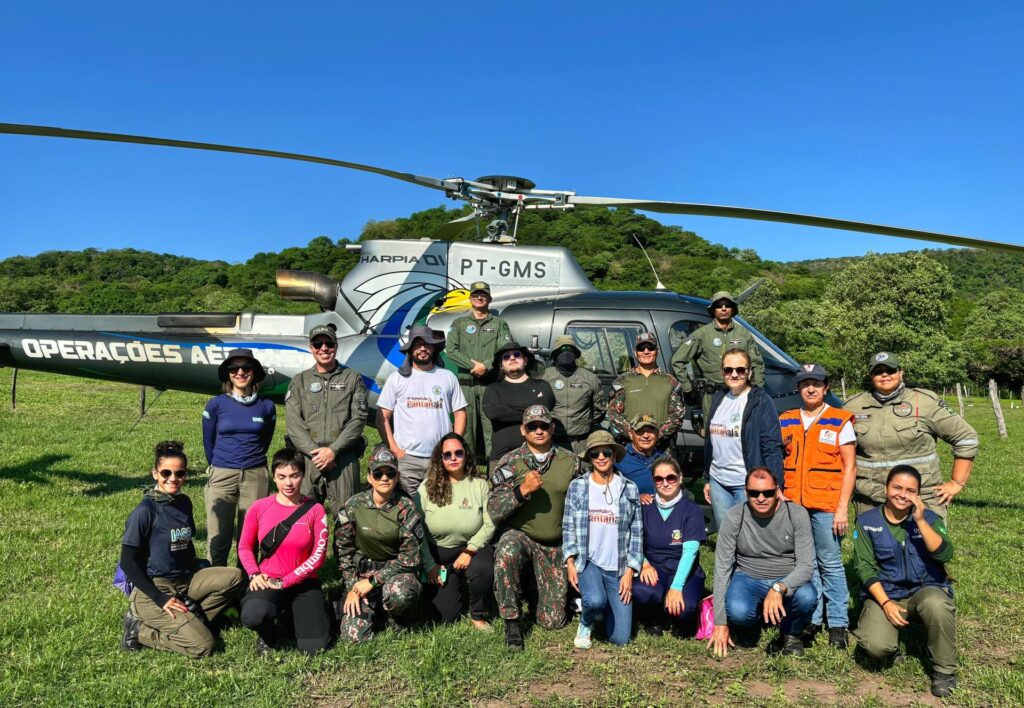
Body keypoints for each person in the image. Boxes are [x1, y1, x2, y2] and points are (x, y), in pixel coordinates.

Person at [120, 441, 245, 657]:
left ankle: (193, 621)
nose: (173, 478)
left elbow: (184, 546)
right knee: (203, 646)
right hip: (155, 588)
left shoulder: (184, 502)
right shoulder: (145, 511)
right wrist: (160, 598)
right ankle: (139, 630)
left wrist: (199, 566)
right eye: (166, 472)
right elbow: (128, 562)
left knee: (234, 576)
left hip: (185, 581)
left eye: (180, 473)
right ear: (155, 474)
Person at [853, 465, 958, 698]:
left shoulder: (931, 518)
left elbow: (944, 554)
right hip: (887, 592)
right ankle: (892, 649)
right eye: (897, 487)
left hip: (926, 589)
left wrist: (920, 521)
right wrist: (886, 603)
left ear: (918, 495)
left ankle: (944, 670)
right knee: (875, 646)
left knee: (937, 605)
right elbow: (864, 568)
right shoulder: (867, 521)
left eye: (910, 490)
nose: (902, 494)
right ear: (886, 488)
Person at [488, 405, 583, 650]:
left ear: (552, 428)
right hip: (522, 536)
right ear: (523, 430)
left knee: (552, 622)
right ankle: (512, 622)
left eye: (543, 425)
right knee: (507, 551)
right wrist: (522, 491)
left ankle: (533, 588)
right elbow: (494, 509)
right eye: (532, 426)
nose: (538, 430)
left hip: (554, 544)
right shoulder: (509, 463)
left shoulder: (571, 462)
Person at [844, 352, 978, 522]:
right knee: (875, 549)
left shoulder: (924, 402)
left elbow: (966, 437)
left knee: (926, 548)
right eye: (878, 371)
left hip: (920, 499)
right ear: (871, 375)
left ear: (901, 372)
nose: (884, 375)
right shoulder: (852, 406)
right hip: (870, 500)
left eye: (890, 370)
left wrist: (957, 483)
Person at [779, 363, 856, 648]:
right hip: (795, 505)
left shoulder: (839, 420)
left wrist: (842, 508)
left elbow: (850, 467)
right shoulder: (786, 419)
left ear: (826, 388)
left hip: (826, 504)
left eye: (817, 383)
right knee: (806, 564)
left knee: (831, 562)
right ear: (798, 388)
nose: (811, 388)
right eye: (805, 383)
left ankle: (838, 623)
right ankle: (814, 616)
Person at [708, 468, 817, 658]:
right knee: (738, 611)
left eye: (767, 492)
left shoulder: (797, 514)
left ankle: (791, 632)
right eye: (753, 493)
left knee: (807, 597)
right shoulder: (734, 517)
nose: (761, 498)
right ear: (745, 492)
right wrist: (720, 623)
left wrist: (779, 587)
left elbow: (806, 566)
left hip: (786, 576)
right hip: (748, 576)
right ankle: (753, 623)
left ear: (777, 490)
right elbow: (722, 569)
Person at [238, 448, 331, 655]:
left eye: (294, 476)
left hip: (303, 582)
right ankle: (269, 634)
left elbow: (318, 557)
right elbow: (244, 547)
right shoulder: (259, 507)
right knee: (253, 616)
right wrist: (254, 574)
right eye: (281, 477)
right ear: (274, 477)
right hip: (268, 579)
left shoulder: (315, 510)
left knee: (315, 647)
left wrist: (284, 582)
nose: (288, 483)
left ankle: (290, 615)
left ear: (303, 475)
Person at [334, 445, 423, 643]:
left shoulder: (406, 508)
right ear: (369, 477)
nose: (384, 478)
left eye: (390, 473)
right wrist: (352, 588)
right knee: (353, 638)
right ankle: (372, 610)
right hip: (362, 573)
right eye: (378, 473)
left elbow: (410, 558)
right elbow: (343, 551)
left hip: (395, 573)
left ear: (397, 476)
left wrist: (373, 581)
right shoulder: (352, 506)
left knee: (400, 594)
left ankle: (395, 617)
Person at [563, 430, 643, 649]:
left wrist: (629, 571)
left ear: (614, 455)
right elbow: (568, 525)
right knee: (594, 600)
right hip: (589, 562)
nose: (601, 458)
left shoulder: (629, 488)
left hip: (617, 566)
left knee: (620, 638)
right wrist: (570, 560)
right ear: (589, 458)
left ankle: (601, 610)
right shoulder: (578, 486)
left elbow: (636, 533)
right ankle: (587, 620)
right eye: (595, 454)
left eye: (606, 452)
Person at [202, 348, 277, 567]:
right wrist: (220, 466)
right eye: (234, 368)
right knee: (218, 535)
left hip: (255, 474)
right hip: (222, 473)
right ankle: (216, 585)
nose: (240, 372)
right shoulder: (216, 404)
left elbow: (265, 439)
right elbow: (209, 442)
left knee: (249, 536)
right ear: (228, 373)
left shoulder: (266, 406)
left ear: (255, 372)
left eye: (247, 367)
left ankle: (246, 586)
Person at [285, 323, 369, 517]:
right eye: (318, 344)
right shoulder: (300, 381)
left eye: (328, 343)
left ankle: (343, 549)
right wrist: (317, 455)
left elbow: (358, 419)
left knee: (347, 518)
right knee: (302, 517)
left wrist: (333, 450)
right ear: (311, 348)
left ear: (336, 346)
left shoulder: (352, 378)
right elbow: (293, 424)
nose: (324, 348)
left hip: (343, 457)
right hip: (309, 458)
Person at [415, 432, 495, 629]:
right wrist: (429, 565)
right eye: (447, 454)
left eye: (458, 453)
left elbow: (490, 524)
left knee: (483, 568)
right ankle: (455, 582)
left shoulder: (480, 485)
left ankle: (478, 614)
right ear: (439, 458)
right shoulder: (425, 488)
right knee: (445, 618)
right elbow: (418, 531)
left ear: (466, 455)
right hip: (439, 555)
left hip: (470, 549)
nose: (453, 458)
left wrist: (470, 549)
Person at [377, 325, 467, 496]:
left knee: (440, 504)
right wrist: (395, 449)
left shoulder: (447, 377)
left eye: (427, 344)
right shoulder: (396, 379)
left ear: (434, 348)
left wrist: (454, 444)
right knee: (408, 509)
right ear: (410, 349)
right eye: (417, 345)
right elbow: (382, 417)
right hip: (407, 459)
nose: (423, 349)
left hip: (440, 458)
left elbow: (460, 413)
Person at [703, 349, 785, 529]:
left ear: (749, 372)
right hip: (718, 481)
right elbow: (710, 442)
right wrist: (708, 479)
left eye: (740, 370)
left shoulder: (761, 401)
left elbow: (772, 446)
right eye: (728, 370)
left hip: (746, 482)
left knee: (750, 536)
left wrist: (776, 484)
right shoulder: (718, 398)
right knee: (726, 535)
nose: (734, 374)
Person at [670, 290, 766, 431]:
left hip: (740, 395)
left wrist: (757, 390)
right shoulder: (701, 335)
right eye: (719, 305)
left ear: (733, 309)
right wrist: (687, 387)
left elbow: (757, 363)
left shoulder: (744, 334)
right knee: (714, 437)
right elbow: (677, 361)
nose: (723, 308)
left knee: (740, 435)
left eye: (727, 305)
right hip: (713, 395)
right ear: (713, 310)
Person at [634, 457, 707, 637]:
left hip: (683, 569)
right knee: (642, 592)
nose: (665, 483)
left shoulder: (691, 510)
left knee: (685, 608)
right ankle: (654, 617)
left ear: (680, 478)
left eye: (671, 478)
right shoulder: (644, 507)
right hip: (654, 568)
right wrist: (644, 563)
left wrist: (676, 587)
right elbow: (633, 541)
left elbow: (690, 552)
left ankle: (677, 616)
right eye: (659, 479)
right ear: (653, 481)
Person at [445, 281, 514, 462]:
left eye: (483, 295)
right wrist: (471, 366)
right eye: (476, 295)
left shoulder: (499, 324)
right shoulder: (459, 323)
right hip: (465, 384)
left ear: (489, 299)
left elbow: (505, 349)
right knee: (465, 428)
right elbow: (451, 350)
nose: (479, 297)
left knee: (491, 428)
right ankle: (467, 470)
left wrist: (486, 365)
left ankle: (495, 471)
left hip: (490, 384)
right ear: (470, 299)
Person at [607, 332, 685, 447]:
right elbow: (613, 413)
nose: (646, 351)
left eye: (651, 348)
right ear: (635, 353)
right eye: (641, 348)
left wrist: (657, 434)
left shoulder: (670, 381)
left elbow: (678, 414)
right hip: (630, 448)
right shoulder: (622, 381)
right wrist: (634, 435)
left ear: (657, 351)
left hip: (662, 448)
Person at [483, 341, 556, 464]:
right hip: (501, 459)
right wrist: (532, 411)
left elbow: (545, 406)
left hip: (539, 458)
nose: (512, 358)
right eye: (506, 357)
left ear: (526, 361)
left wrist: (508, 408)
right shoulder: (493, 388)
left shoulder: (542, 385)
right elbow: (494, 412)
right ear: (501, 365)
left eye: (517, 355)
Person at [541, 335, 606, 454]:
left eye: (570, 350)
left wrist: (582, 423)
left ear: (576, 354)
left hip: (581, 443)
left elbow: (599, 410)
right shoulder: (543, 377)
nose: (566, 353)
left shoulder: (590, 378)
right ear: (555, 355)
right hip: (551, 443)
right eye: (561, 350)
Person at [618, 413, 662, 504]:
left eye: (650, 431)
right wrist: (636, 497)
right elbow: (608, 491)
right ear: (631, 434)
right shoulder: (619, 459)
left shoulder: (665, 459)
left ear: (657, 434)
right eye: (640, 431)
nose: (645, 436)